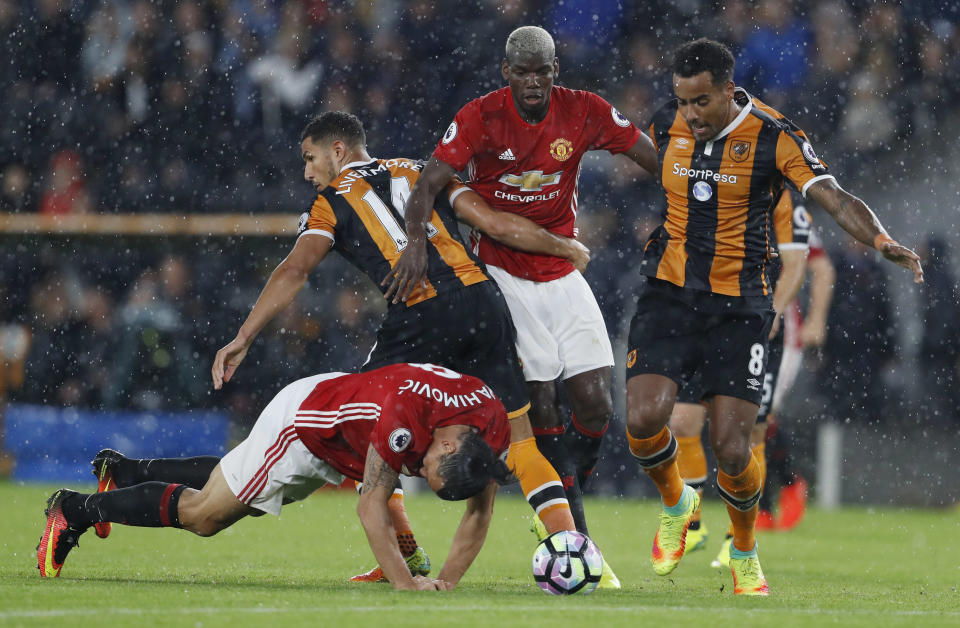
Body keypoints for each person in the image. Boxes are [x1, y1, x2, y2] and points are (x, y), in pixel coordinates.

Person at [211, 111, 590, 582]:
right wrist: (561, 245)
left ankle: (406, 550)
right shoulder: (421, 169)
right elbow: (491, 221)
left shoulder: (331, 201)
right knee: (520, 439)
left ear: (338, 151)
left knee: (362, 418)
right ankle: (573, 552)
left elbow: (294, 270)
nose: (307, 172)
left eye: (310, 159)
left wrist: (243, 336)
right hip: (482, 300)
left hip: (421, 316)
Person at [622, 38, 922, 596]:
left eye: (702, 101)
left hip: (740, 307)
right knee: (642, 419)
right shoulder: (668, 124)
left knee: (734, 449)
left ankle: (743, 549)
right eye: (683, 101)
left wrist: (880, 239)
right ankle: (678, 502)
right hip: (668, 293)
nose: (690, 113)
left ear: (730, 92)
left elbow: (832, 197)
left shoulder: (775, 135)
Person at [386, 26, 659, 587]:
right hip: (502, 273)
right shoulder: (480, 117)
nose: (534, 82)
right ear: (505, 72)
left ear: (556, 70)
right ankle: (571, 530)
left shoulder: (584, 111)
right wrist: (415, 243)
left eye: (544, 71)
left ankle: (566, 486)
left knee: (595, 407)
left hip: (562, 273)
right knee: (540, 402)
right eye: (523, 72)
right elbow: (427, 184)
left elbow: (652, 159)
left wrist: (692, 194)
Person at [37, 362, 514, 589]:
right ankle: (74, 510)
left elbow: (480, 510)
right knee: (206, 516)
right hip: (305, 425)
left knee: (235, 483)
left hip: (342, 436)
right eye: (428, 468)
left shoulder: (488, 430)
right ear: (447, 444)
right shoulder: (406, 418)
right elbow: (371, 503)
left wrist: (448, 583)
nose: (421, 470)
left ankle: (124, 471)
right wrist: (408, 587)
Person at [668, 187, 813, 558]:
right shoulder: (715, 179)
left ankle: (740, 535)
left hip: (760, 324)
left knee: (748, 431)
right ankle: (692, 524)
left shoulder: (786, 200)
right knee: (683, 420)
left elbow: (798, 265)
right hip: (710, 318)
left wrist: (775, 311)